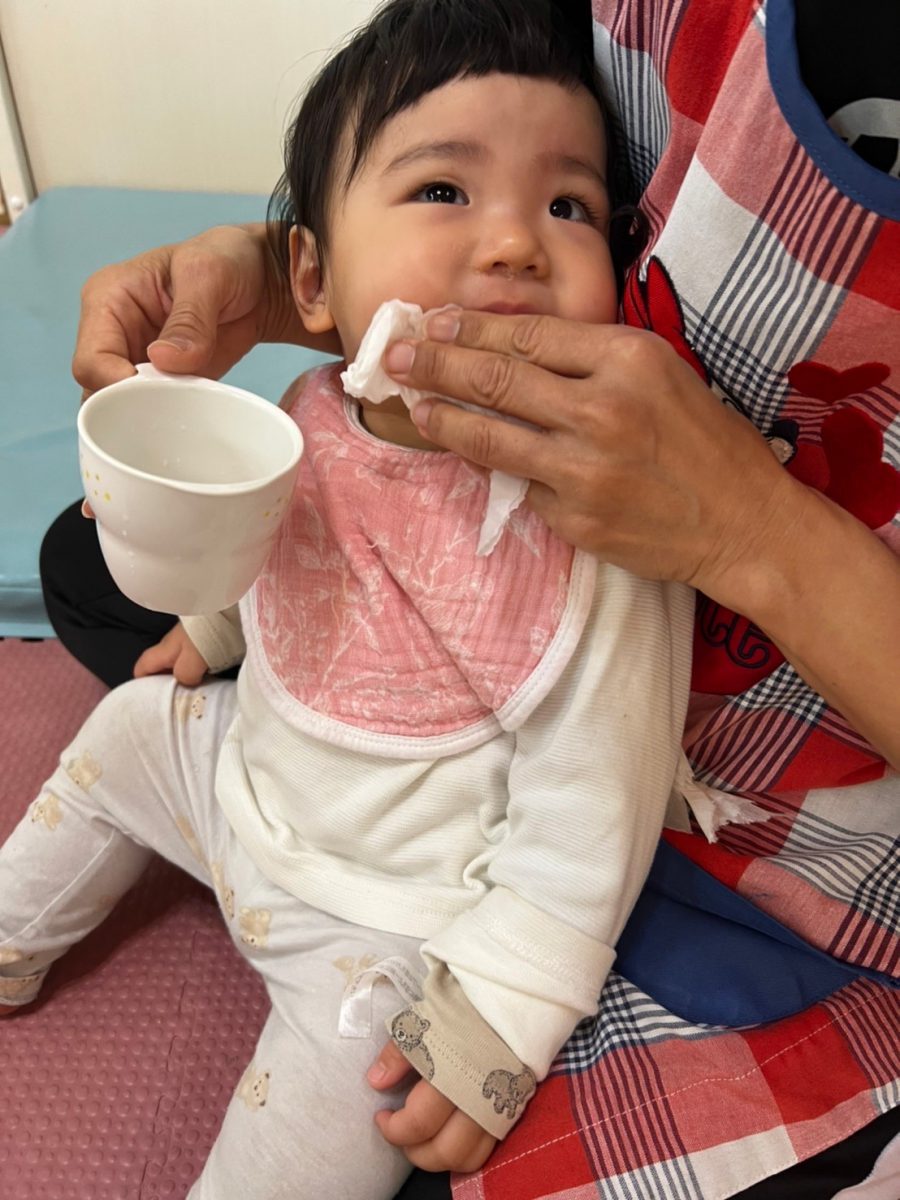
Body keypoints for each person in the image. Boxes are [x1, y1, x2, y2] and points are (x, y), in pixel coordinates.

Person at [38, 1, 900, 1199]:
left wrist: (502, 1007)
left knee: (384, 1104)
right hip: (246, 778)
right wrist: (214, 622)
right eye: (445, 191)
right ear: (309, 277)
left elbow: (590, 810)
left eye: (570, 209)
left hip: (387, 922)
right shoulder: (310, 408)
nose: (514, 246)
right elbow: (297, 548)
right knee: (125, 696)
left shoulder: (600, 528)